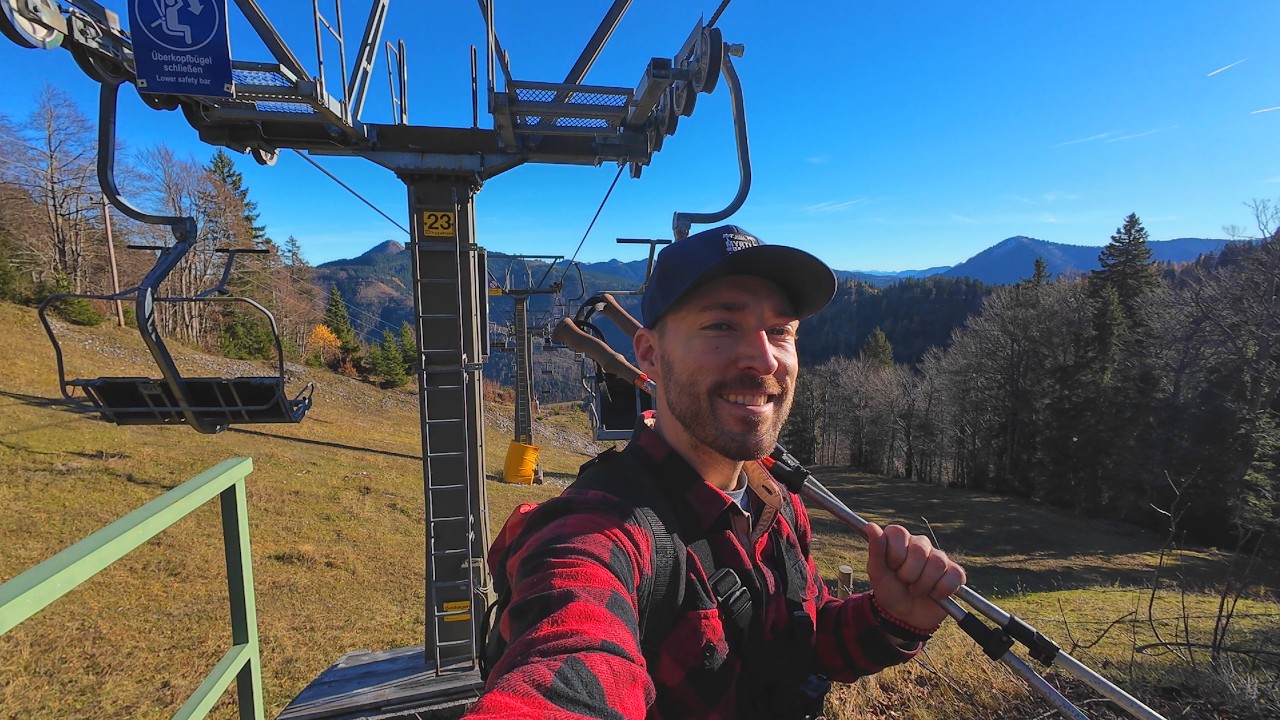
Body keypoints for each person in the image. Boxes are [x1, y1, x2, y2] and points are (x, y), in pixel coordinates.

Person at [466, 225, 966, 719]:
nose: (764, 357)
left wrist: (890, 621)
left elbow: (799, 641)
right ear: (649, 354)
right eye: (721, 325)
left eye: (780, 331)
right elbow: (569, 662)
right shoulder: (598, 534)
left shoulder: (777, 502)